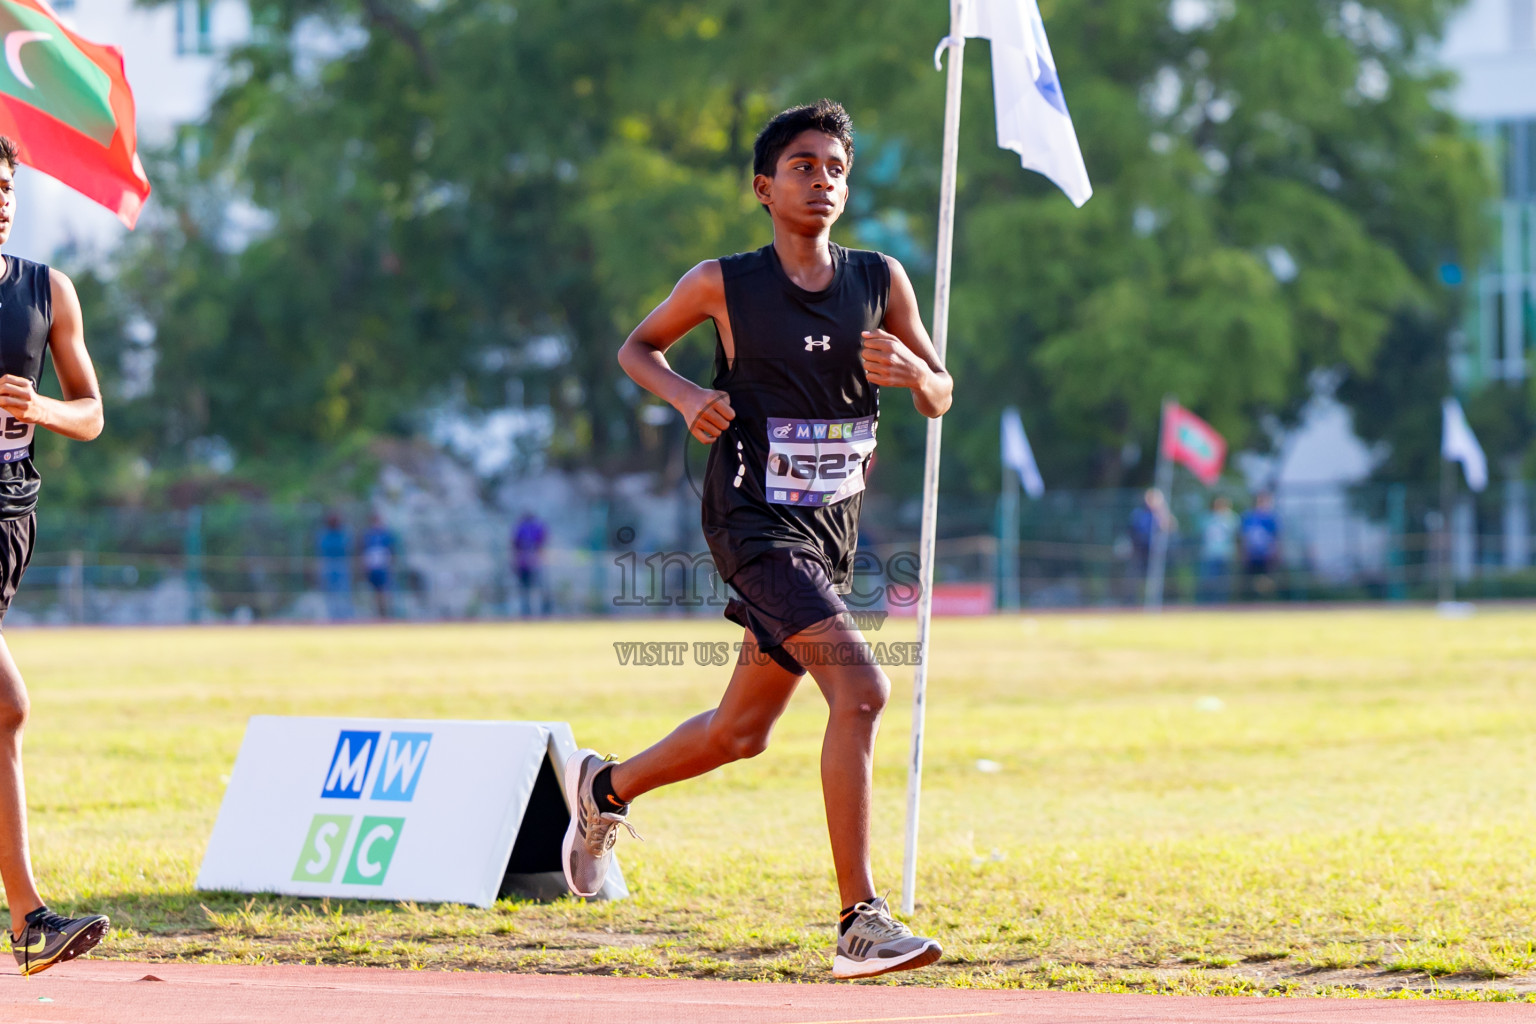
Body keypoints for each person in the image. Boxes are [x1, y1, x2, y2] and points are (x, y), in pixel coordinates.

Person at [564, 100, 952, 980]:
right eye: (805, 166)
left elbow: (941, 390)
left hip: (829, 534)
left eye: (836, 169)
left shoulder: (881, 279)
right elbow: (638, 348)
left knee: (743, 732)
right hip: (750, 523)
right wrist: (688, 398)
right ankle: (860, 920)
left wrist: (917, 376)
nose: (823, 181)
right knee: (862, 691)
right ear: (763, 187)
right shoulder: (722, 283)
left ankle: (603, 789)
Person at [0, 138, 111, 975]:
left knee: (4, 709)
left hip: (8, 518)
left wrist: (40, 403)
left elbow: (93, 411)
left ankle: (28, 920)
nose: (3, 199)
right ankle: (31, 916)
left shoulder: (46, 290)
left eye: (7, 186)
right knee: (5, 703)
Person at [1197, 495, 1238, 603]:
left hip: (1226, 554)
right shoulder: (1207, 518)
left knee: (1224, 581)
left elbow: (1236, 535)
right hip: (1210, 554)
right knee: (1209, 580)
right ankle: (1209, 602)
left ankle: (1223, 602)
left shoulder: (1231, 518)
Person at [1240, 491, 1281, 599]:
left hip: (1266, 555)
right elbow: (1244, 537)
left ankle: (1266, 601)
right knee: (1250, 582)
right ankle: (1250, 603)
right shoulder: (1249, 517)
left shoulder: (1271, 518)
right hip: (1252, 554)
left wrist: (1275, 552)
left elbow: (1275, 537)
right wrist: (1244, 553)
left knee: (1267, 581)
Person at [359, 514, 398, 618]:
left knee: (385, 591)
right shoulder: (368, 535)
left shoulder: (386, 534)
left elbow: (391, 550)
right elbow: (364, 551)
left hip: (383, 568)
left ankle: (386, 613)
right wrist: (364, 566)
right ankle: (376, 614)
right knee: (374, 592)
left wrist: (391, 564)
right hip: (372, 568)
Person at [511, 512, 548, 616]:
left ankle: (530, 612)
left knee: (528, 589)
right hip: (530, 563)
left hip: (529, 563)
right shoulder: (535, 527)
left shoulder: (521, 527)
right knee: (531, 589)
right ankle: (533, 612)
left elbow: (514, 544)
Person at [316, 512, 352, 620]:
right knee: (330, 593)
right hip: (328, 564)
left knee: (343, 592)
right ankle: (332, 617)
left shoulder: (343, 533)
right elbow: (323, 547)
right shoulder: (324, 534)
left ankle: (344, 617)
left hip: (341, 564)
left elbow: (346, 546)